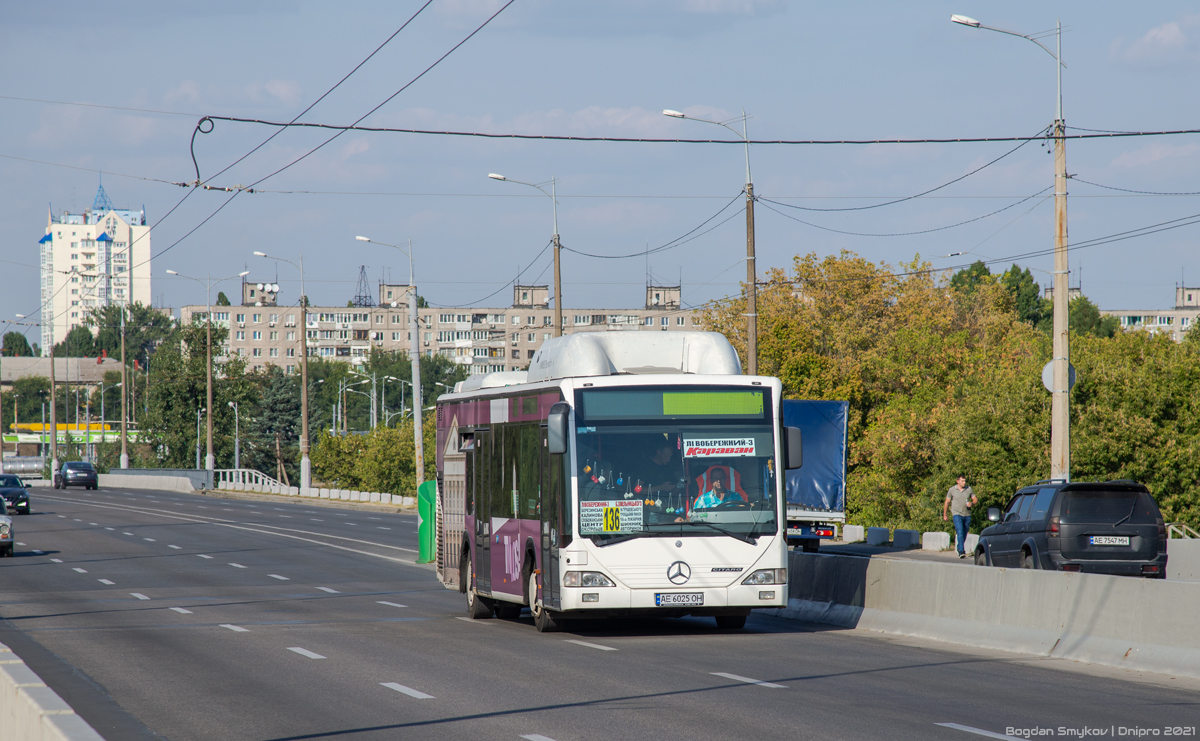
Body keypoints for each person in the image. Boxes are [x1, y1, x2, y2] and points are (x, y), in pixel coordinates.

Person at [943, 474, 978, 559]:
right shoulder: (952, 490)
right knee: (960, 531)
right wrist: (945, 514)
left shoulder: (968, 489)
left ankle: (959, 546)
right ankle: (962, 551)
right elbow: (947, 502)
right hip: (956, 514)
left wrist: (972, 503)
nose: (964, 482)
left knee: (964, 533)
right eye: (962, 481)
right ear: (957, 481)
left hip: (967, 514)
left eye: (965, 481)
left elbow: (975, 499)